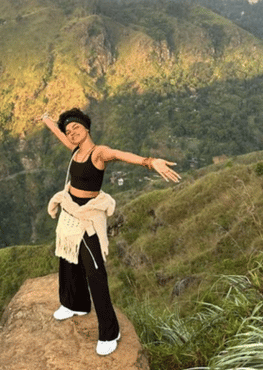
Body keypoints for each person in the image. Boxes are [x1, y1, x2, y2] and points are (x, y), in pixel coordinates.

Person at [40, 107, 181, 356]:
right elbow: (59, 134)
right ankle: (75, 304)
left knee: (95, 272)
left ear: (87, 128)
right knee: (67, 259)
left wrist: (150, 162)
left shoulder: (98, 152)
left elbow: (120, 154)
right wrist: (47, 120)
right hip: (70, 211)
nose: (71, 133)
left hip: (88, 215)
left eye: (76, 128)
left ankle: (110, 332)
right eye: (69, 131)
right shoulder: (75, 150)